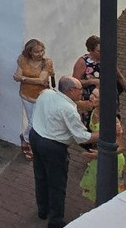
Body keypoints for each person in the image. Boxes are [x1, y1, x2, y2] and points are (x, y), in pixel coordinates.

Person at [29, 77, 99, 228]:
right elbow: (81, 137)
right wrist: (103, 134)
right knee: (57, 183)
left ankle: (43, 209)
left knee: (40, 175)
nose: (83, 93)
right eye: (80, 90)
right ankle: (55, 221)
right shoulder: (68, 109)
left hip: (35, 136)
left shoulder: (46, 94)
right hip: (52, 146)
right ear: (70, 91)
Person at [72, 35, 126, 116]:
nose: (103, 53)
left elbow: (120, 77)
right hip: (92, 102)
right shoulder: (82, 62)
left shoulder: (108, 60)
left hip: (110, 99)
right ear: (91, 50)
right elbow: (75, 82)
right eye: (99, 51)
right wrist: (91, 81)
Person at [13, 39, 54, 158]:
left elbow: (42, 80)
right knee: (33, 121)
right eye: (37, 52)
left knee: (36, 121)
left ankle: (26, 138)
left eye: (42, 50)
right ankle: (30, 141)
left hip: (41, 95)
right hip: (26, 95)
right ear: (30, 52)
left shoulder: (46, 63)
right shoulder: (23, 59)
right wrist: (22, 78)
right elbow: (17, 75)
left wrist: (24, 79)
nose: (40, 53)